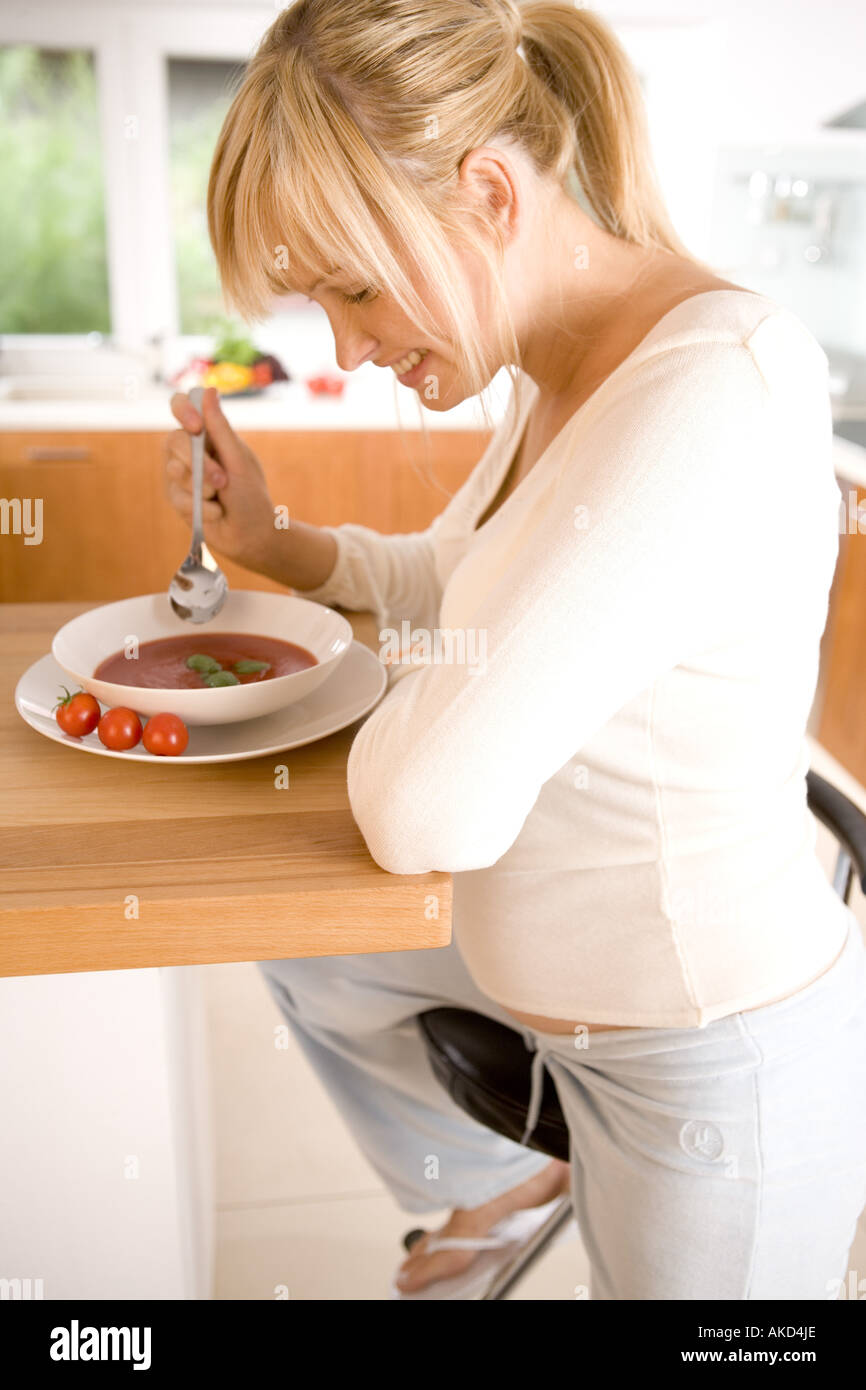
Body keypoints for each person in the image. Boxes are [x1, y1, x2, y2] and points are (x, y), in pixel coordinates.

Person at [163, 0, 866, 1299]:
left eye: (357, 287)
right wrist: (274, 540)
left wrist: (431, 692)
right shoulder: (560, 374)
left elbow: (423, 800)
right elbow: (452, 577)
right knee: (301, 943)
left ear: (489, 191)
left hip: (704, 1067)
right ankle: (482, 1183)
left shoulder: (710, 385)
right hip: (560, 1007)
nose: (350, 348)